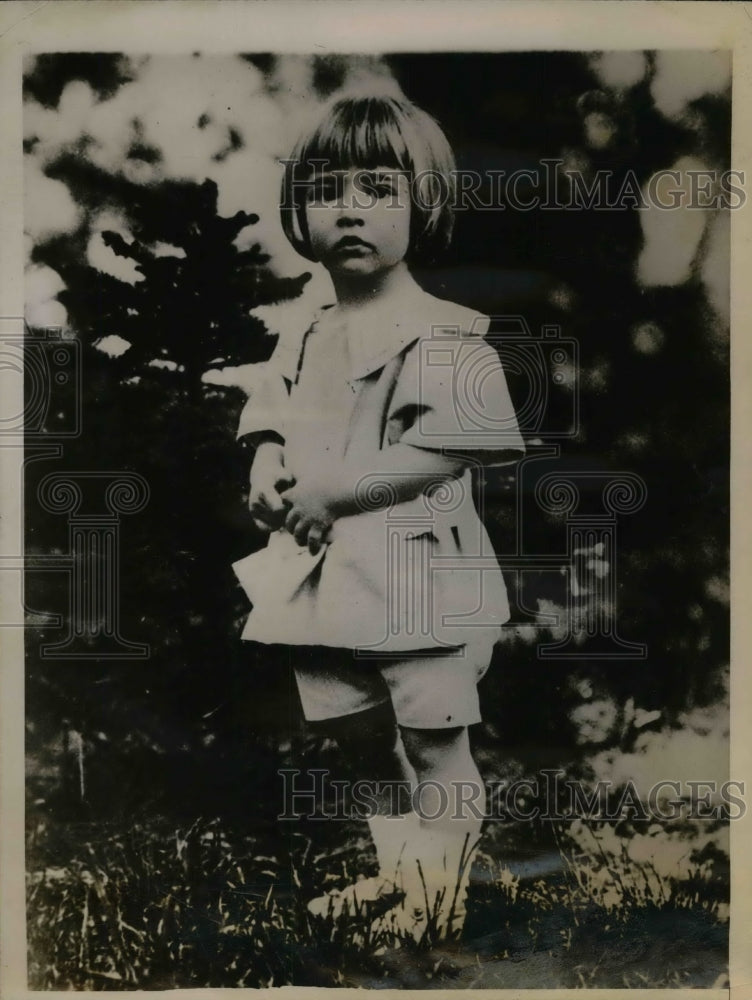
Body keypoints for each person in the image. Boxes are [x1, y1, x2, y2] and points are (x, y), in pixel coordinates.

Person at [232, 92, 525, 944]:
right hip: (324, 576)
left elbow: (451, 447)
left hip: (417, 573)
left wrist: (335, 493)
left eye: (378, 188)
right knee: (360, 740)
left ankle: (443, 899)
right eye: (326, 190)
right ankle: (404, 876)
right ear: (299, 212)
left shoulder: (446, 333)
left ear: (423, 204)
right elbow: (269, 416)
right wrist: (268, 463)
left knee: (435, 738)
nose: (350, 207)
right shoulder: (304, 330)